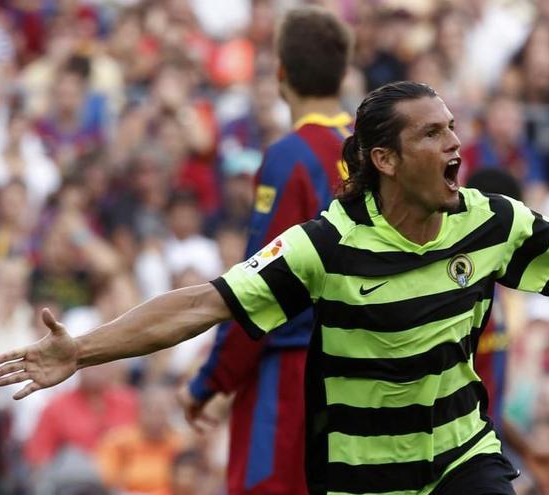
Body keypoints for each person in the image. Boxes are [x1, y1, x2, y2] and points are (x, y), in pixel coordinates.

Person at [0, 81, 549, 495]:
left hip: (461, 459)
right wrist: (84, 350)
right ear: (384, 158)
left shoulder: (486, 220)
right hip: (361, 477)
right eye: (435, 133)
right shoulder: (323, 247)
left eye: (453, 127)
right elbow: (204, 301)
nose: (457, 142)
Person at [176, 6, 353, 495]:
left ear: (280, 73)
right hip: (362, 372)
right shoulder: (371, 150)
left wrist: (210, 382)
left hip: (293, 373)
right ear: (343, 72)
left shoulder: (289, 157)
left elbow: (258, 288)